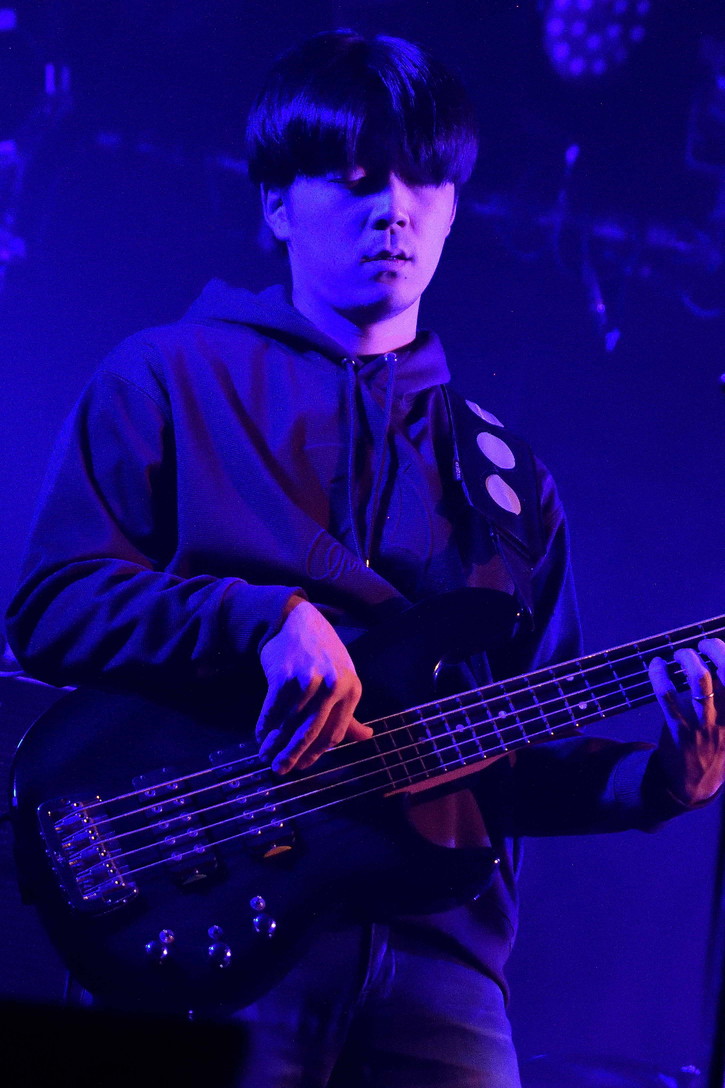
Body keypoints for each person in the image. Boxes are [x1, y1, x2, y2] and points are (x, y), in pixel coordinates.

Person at [5, 29, 725, 1088]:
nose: (394, 208)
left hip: (443, 958)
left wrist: (658, 779)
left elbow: (512, 752)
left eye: (424, 178)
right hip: (208, 910)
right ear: (276, 205)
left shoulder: (511, 480)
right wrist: (259, 618)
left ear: (454, 206)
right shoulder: (163, 378)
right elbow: (51, 606)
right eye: (354, 178)